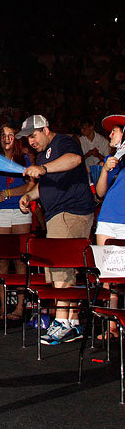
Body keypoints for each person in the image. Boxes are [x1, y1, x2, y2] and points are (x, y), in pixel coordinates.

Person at [18, 114, 95, 345]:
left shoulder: (62, 142)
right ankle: (72, 323)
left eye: (33, 135)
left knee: (62, 269)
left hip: (70, 212)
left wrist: (42, 168)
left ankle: (62, 321)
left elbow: (74, 160)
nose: (31, 141)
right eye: (28, 138)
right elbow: (48, 182)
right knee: (62, 270)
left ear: (46, 129)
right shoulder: (43, 155)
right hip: (58, 215)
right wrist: (29, 195)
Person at [0, 124, 34, 320]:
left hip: (20, 209)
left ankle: (20, 306)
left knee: (20, 259)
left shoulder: (24, 159)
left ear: (16, 138)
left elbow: (30, 186)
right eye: (3, 135)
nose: (7, 138)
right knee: (2, 258)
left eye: (10, 135)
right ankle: (3, 307)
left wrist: (9, 193)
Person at [93, 113, 125, 339]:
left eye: (114, 131)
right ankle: (111, 326)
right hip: (107, 220)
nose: (110, 135)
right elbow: (100, 193)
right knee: (109, 276)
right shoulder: (111, 159)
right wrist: (105, 169)